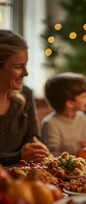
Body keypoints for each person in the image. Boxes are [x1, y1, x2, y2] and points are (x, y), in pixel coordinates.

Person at [0, 29, 50, 166]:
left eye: (25, 65)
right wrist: (19, 157)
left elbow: (31, 137)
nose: (26, 73)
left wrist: (35, 149)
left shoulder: (25, 94)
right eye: (18, 67)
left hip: (21, 177)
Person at [41, 72, 86, 156]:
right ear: (70, 103)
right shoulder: (50, 123)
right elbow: (51, 153)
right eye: (84, 96)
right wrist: (79, 146)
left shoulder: (82, 118)